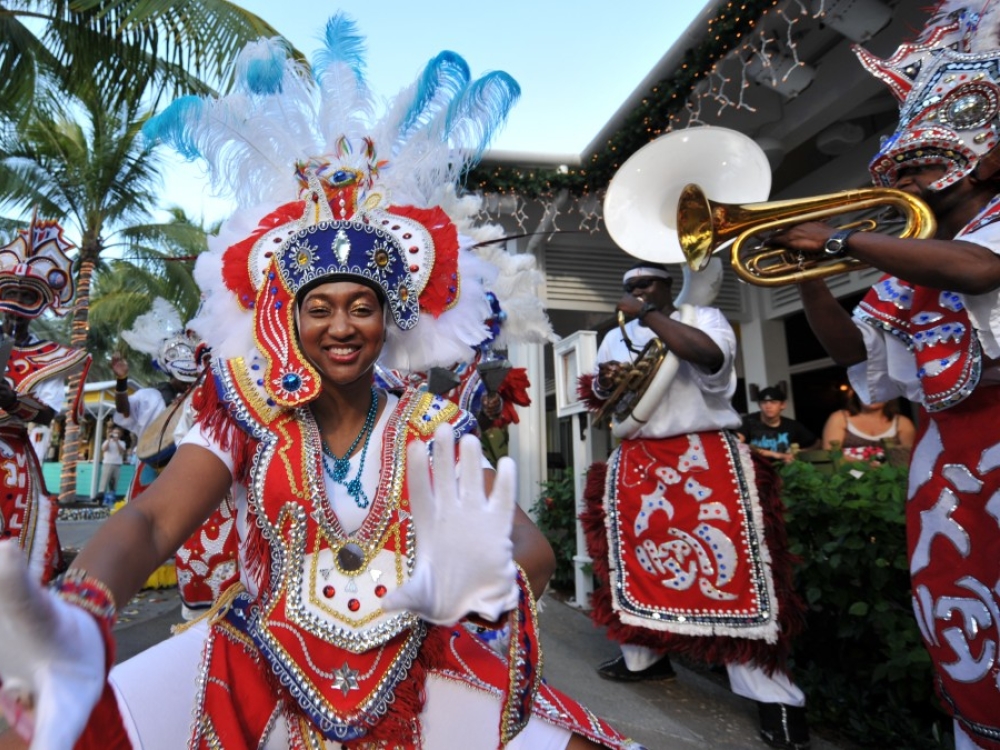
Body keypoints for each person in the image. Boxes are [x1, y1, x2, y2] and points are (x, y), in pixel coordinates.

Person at [0, 18, 639, 750]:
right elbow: (152, 521)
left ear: (390, 318)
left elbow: (530, 548)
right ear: (286, 315)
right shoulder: (244, 407)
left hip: (417, 661)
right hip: (257, 661)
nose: (342, 326)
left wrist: (467, 586)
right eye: (320, 307)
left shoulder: (430, 422)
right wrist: (83, 606)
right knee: (40, 723)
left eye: (361, 306)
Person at [769, 5, 1000, 746]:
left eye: (928, 162)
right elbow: (857, 362)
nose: (913, 174)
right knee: (966, 640)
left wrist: (841, 237)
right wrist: (809, 276)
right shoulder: (910, 261)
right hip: (946, 476)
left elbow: (982, 270)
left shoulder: (978, 236)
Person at [581, 260, 809, 750]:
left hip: (704, 457)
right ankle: (644, 659)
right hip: (638, 457)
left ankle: (774, 697)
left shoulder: (703, 317)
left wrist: (648, 317)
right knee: (634, 569)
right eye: (630, 287)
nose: (638, 291)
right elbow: (600, 397)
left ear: (667, 285)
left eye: (647, 284)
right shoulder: (613, 336)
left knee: (735, 577)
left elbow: (708, 359)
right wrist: (606, 382)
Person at [0, 219, 91, 585]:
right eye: (11, 292)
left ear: (41, 300)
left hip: (11, 458)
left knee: (15, 550)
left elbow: (50, 413)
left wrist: (13, 400)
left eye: (27, 295)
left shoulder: (52, 356)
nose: (16, 302)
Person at [820, 391, 916, 458]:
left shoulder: (902, 423)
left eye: (878, 391)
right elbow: (830, 455)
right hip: (850, 480)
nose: (871, 395)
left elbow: (909, 457)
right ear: (856, 394)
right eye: (865, 390)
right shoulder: (840, 418)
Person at [738, 384, 819, 464]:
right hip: (755, 470)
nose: (768, 406)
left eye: (773, 402)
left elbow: (817, 443)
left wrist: (798, 454)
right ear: (759, 405)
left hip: (782, 470)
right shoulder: (748, 421)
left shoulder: (792, 425)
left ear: (783, 405)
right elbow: (736, 444)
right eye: (764, 402)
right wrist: (776, 455)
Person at [94, 427, 126, 504]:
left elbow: (122, 451)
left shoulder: (122, 443)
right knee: (104, 482)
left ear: (120, 435)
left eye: (117, 433)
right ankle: (100, 499)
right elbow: (104, 449)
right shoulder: (107, 441)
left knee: (114, 482)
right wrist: (109, 439)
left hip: (117, 464)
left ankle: (111, 498)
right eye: (114, 433)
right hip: (107, 463)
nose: (116, 434)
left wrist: (117, 441)